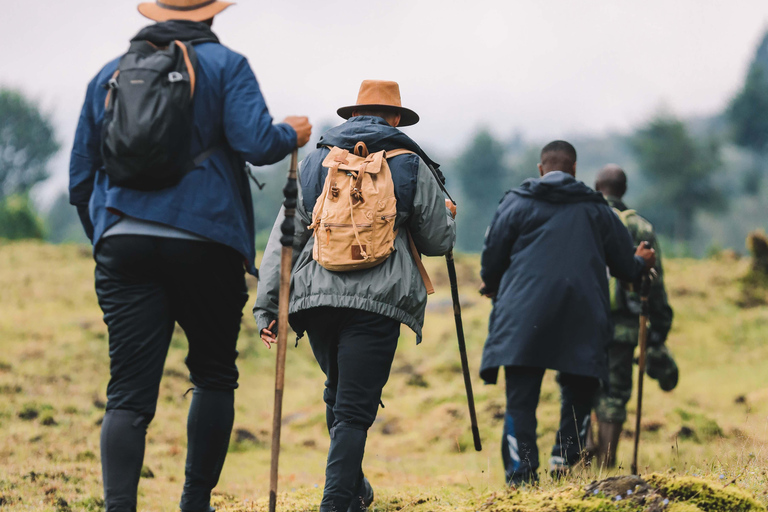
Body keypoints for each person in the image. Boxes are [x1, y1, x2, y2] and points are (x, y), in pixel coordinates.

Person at [69, 1, 311, 510]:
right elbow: (256, 142)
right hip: (208, 241)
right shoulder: (227, 66)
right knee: (214, 374)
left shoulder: (109, 74)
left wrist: (107, 238)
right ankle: (195, 503)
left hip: (123, 242)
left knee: (127, 393)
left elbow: (80, 177)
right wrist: (292, 133)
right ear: (212, 14)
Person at [254, 80, 456, 512]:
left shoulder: (316, 161)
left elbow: (284, 238)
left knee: (339, 394)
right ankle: (335, 503)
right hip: (377, 303)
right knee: (353, 410)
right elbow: (438, 241)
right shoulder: (410, 164)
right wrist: (447, 216)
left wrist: (267, 305)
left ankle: (354, 490)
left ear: (352, 115)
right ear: (396, 119)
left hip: (315, 299)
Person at [478, 141, 656, 485]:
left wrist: (495, 284)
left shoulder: (514, 203)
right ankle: (563, 459)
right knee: (579, 388)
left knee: (521, 400)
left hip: (522, 314)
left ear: (541, 169)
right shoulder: (597, 209)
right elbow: (624, 266)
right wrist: (641, 261)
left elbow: (491, 260)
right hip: (581, 314)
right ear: (574, 169)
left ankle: (522, 475)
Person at [591, 164, 677, 468]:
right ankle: (606, 463)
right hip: (624, 324)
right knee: (615, 392)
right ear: (623, 190)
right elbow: (654, 280)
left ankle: (583, 450)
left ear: (596, 187)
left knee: (581, 384)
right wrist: (660, 323)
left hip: (583, 320)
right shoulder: (640, 227)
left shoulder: (583, 218)